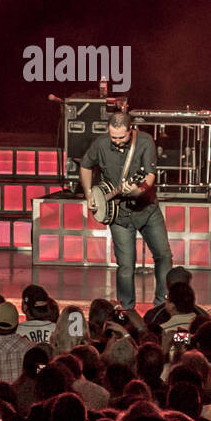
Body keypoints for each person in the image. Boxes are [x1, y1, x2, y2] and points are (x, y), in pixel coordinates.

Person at [80, 110, 172, 309]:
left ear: (131, 130)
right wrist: (89, 194)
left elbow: (149, 176)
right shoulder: (101, 144)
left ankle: (161, 306)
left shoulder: (145, 142)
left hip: (147, 209)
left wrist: (137, 191)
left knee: (163, 255)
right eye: (113, 137)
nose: (117, 141)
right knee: (126, 266)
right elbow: (85, 165)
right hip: (119, 214)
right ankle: (127, 309)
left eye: (121, 137)